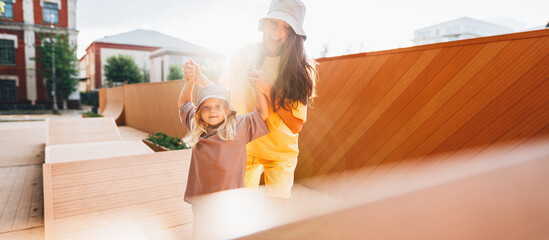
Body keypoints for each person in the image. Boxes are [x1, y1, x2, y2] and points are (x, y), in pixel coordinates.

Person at [188, 0, 318, 200]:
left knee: (277, 218)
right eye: (273, 22)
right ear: (264, 23)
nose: (276, 31)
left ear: (293, 34)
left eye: (286, 26)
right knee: (240, 212)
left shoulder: (301, 70)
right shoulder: (243, 54)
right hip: (243, 147)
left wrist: (269, 91)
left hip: (280, 154)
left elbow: (295, 125)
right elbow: (225, 92)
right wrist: (200, 79)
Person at [177, 61, 270, 239]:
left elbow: (262, 114)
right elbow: (183, 103)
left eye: (218, 106)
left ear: (228, 110)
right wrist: (189, 81)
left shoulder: (238, 127)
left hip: (229, 202)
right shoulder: (197, 127)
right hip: (201, 201)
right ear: (199, 112)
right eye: (206, 107)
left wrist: (258, 87)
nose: (213, 111)